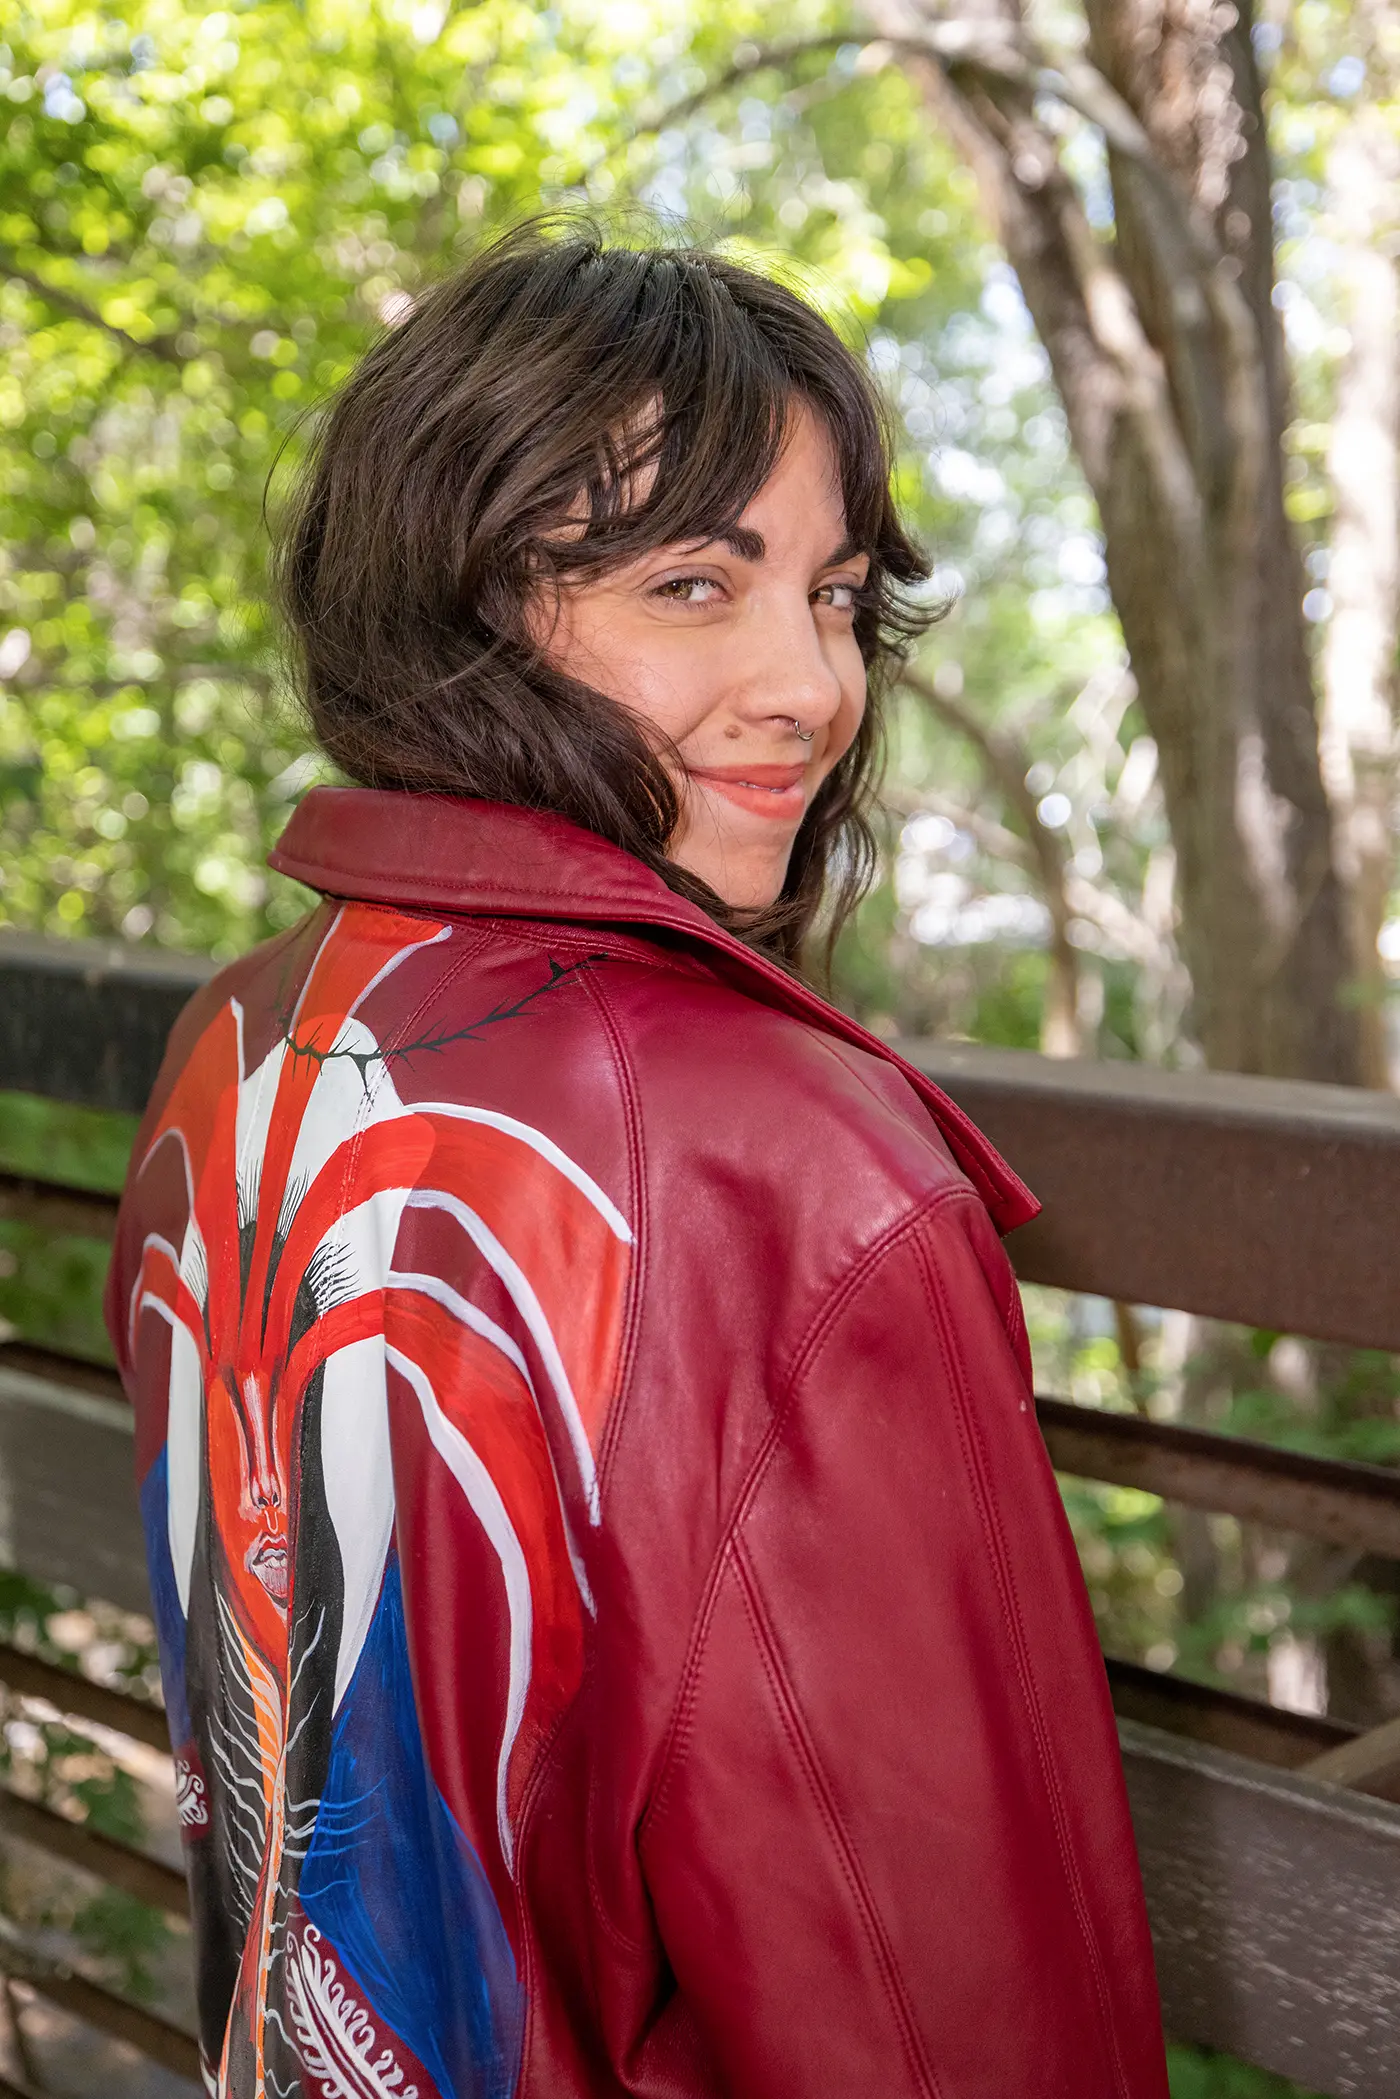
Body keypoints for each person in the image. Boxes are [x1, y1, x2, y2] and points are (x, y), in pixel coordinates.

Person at [106, 222, 1168, 2099]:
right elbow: (945, 2013)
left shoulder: (240, 1038)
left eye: (834, 595)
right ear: (462, 606)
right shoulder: (788, 1166)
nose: (810, 685)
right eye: (693, 584)